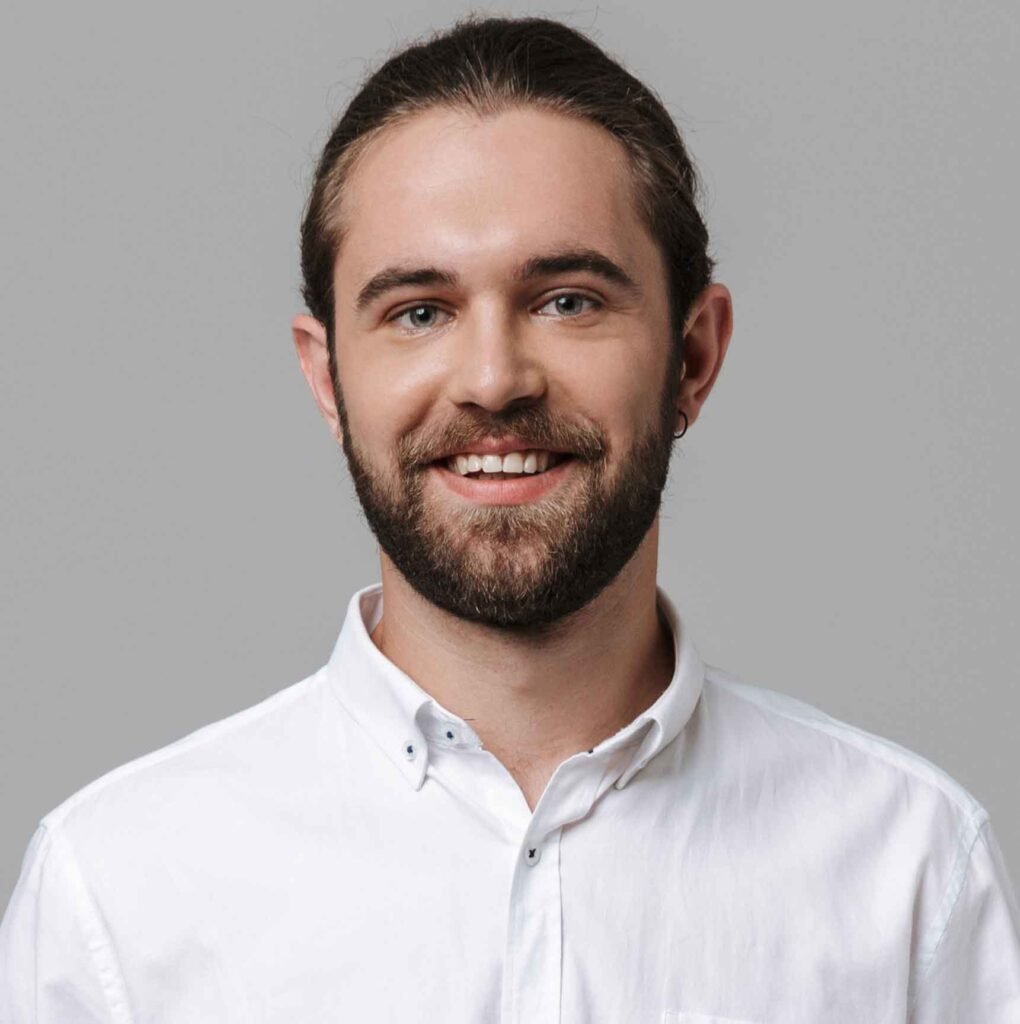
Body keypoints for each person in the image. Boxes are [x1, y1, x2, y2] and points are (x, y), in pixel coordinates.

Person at [2, 13, 1018, 1022]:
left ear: (694, 357)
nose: (494, 380)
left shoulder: (912, 872)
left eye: (568, 300)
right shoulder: (119, 901)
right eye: (419, 311)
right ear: (327, 377)